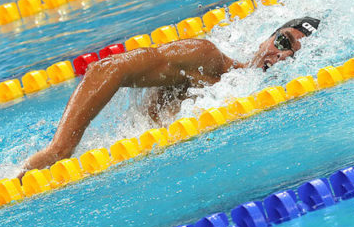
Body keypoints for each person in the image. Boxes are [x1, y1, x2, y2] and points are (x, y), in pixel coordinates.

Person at [22, 17, 320, 171]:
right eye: (282, 41)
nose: (281, 56)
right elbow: (105, 69)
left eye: (293, 56)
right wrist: (59, 150)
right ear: (267, 37)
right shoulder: (206, 60)